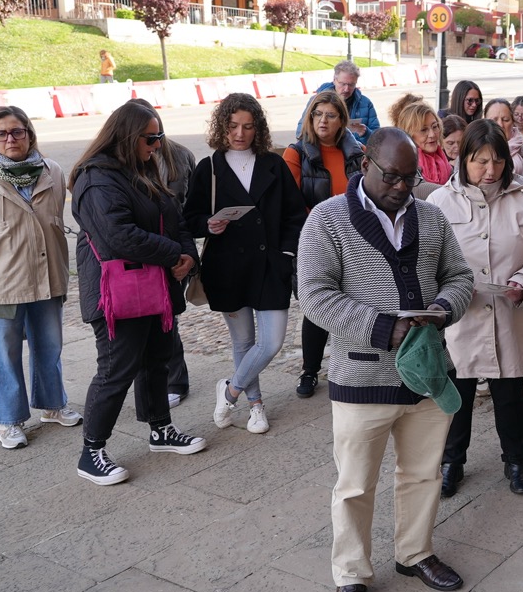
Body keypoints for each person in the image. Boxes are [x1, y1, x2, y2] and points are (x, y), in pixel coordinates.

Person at [297, 127, 474, 592]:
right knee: (355, 485)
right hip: (362, 377)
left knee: (423, 474)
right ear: (364, 166)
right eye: (392, 176)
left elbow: (460, 277)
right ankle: (351, 575)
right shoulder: (327, 219)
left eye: (410, 178)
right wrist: (383, 329)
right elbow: (314, 296)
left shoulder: (431, 217)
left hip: (428, 375)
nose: (401, 187)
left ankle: (415, 553)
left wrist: (443, 308)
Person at [69, 101, 205, 485]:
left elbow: (174, 218)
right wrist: (173, 254)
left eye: (159, 136)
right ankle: (91, 451)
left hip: (155, 287)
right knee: (116, 370)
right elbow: (119, 236)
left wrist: (188, 256)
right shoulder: (96, 179)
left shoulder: (142, 169)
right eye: (150, 138)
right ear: (127, 136)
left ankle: (160, 429)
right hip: (117, 292)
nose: (157, 145)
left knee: (157, 361)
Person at [429, 120, 523, 497]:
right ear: (463, 159)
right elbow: (427, 258)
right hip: (461, 316)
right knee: (457, 393)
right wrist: (446, 292)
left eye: (497, 161)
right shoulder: (439, 202)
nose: (490, 170)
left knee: (509, 392)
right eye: (480, 161)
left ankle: (516, 459)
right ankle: (451, 461)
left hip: (508, 312)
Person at [0, 107, 80, 450]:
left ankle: (53, 404)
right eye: (1, 133)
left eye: (17, 131)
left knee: (49, 347)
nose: (10, 139)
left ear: (29, 134)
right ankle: (9, 420)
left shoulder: (51, 171)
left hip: (47, 277)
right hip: (0, 284)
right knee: (3, 354)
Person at [184, 93, 306, 434]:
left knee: (272, 342)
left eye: (248, 126)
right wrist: (208, 224)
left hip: (270, 266)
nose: (240, 133)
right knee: (242, 342)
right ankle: (255, 406)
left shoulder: (273, 164)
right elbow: (189, 218)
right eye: (233, 125)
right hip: (228, 268)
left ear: (258, 128)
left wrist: (286, 254)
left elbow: (295, 215)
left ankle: (230, 390)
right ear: (222, 126)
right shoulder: (208, 168)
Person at [283, 91, 365, 398]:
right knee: (317, 306)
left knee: (357, 301)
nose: (323, 121)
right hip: (315, 239)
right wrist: (322, 228)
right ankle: (309, 370)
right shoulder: (296, 154)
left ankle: (356, 365)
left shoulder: (358, 153)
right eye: (317, 114)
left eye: (330, 115)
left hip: (355, 239)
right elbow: (290, 204)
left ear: (342, 120)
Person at [145, 101, 198, 409]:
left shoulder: (180, 155)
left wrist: (188, 254)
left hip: (174, 249)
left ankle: (176, 380)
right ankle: (152, 380)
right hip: (143, 251)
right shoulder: (119, 162)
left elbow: (190, 209)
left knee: (168, 318)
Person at [295, 60, 380, 146]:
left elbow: (378, 140)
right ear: (334, 80)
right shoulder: (316, 101)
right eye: (342, 84)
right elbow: (301, 132)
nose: (346, 89)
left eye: (351, 85)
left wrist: (365, 133)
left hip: (357, 152)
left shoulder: (365, 104)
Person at [394, 99, 451, 198]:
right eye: (423, 130)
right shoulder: (404, 162)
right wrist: (454, 192)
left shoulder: (443, 159)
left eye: (435, 127)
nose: (432, 134)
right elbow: (418, 189)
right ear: (409, 134)